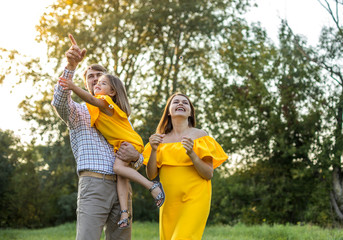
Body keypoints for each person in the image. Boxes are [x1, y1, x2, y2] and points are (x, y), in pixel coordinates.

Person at [52, 34, 141, 240]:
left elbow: (137, 156)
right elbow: (59, 102)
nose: (95, 79)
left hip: (122, 187)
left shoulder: (120, 117)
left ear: (109, 86)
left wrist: (136, 157)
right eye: (90, 76)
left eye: (99, 76)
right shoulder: (79, 112)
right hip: (94, 185)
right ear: (86, 84)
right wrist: (71, 66)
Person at [58, 73, 165, 228]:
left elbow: (92, 99)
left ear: (112, 92)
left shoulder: (106, 102)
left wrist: (73, 87)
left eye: (103, 83)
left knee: (117, 168)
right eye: (96, 82)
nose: (97, 85)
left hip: (129, 142)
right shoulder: (98, 108)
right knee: (121, 174)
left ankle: (152, 186)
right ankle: (124, 213)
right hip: (122, 143)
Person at [143, 93, 228, 240]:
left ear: (190, 113)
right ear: (169, 111)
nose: (180, 104)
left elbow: (208, 174)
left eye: (185, 102)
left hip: (194, 199)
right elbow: (151, 175)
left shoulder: (201, 136)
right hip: (169, 202)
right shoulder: (159, 139)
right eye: (176, 102)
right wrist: (154, 149)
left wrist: (192, 154)